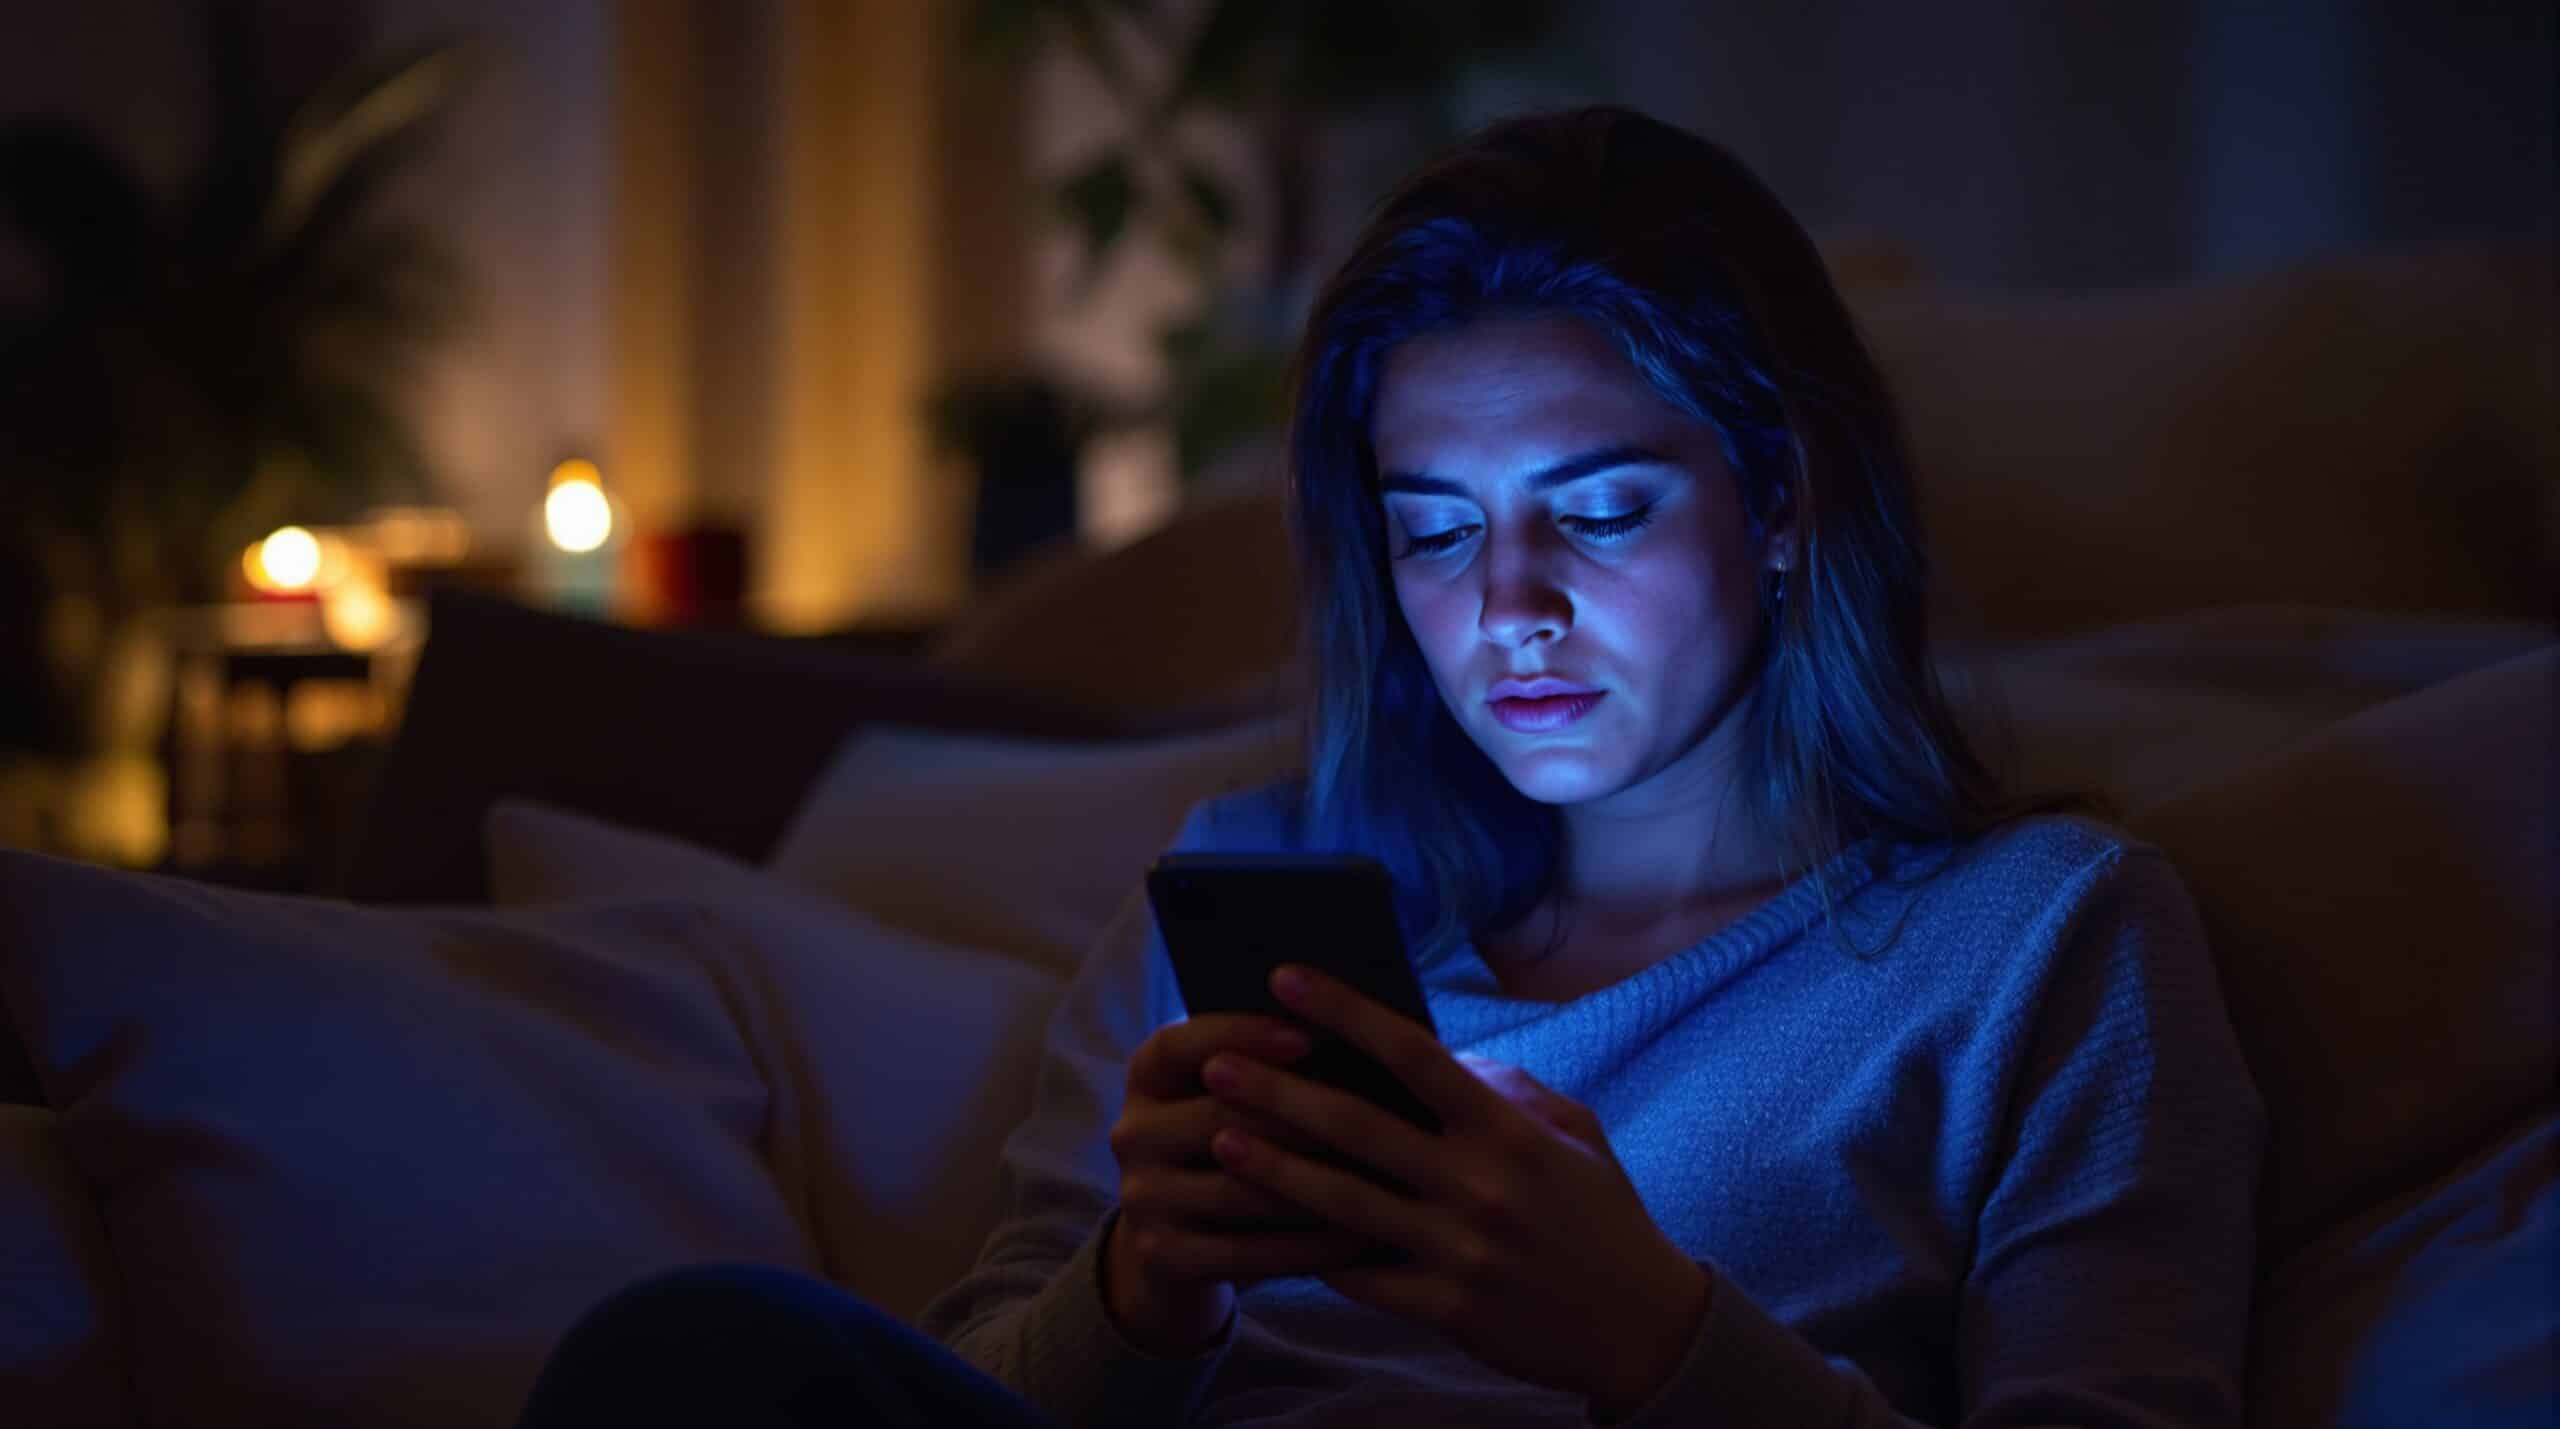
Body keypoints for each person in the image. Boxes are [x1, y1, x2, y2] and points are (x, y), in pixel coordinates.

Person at [516, 105, 2264, 1428]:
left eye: (1597, 510)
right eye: (1435, 531)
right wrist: (1146, 1285)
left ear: (1785, 499)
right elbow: (974, 1383)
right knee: (690, 1358)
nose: (1510, 606)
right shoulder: (1253, 896)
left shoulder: (2044, 944)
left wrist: (1645, 1332)